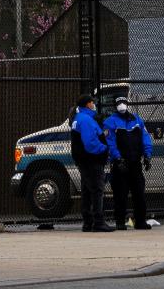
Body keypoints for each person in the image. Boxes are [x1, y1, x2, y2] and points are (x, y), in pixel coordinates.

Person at [103, 95, 153, 230]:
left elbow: (145, 137)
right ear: (115, 105)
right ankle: (120, 221)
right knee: (120, 194)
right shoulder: (110, 122)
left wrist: (147, 155)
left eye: (123, 102)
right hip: (120, 164)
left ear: (127, 103)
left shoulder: (137, 120)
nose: (121, 105)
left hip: (135, 162)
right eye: (119, 103)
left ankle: (140, 221)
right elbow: (110, 143)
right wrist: (118, 158)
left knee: (139, 193)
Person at [70, 94, 114, 232]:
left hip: (84, 160)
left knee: (87, 190)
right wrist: (104, 148)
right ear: (88, 104)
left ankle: (88, 222)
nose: (93, 104)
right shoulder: (86, 119)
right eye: (92, 102)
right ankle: (98, 221)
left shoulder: (79, 119)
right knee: (97, 190)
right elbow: (90, 142)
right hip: (92, 160)